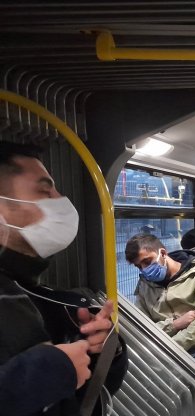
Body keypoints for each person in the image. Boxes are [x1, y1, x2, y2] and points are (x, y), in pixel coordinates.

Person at [0, 142, 127, 415]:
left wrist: (105, 352)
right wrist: (48, 371)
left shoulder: (43, 298)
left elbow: (87, 397)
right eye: (45, 191)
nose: (61, 200)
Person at [125, 233, 195, 382]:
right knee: (140, 381)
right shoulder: (144, 286)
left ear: (163, 253)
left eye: (147, 262)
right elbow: (143, 329)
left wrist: (174, 346)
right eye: (139, 266)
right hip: (163, 348)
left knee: (191, 384)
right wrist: (173, 325)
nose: (144, 269)